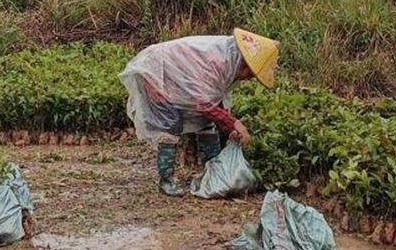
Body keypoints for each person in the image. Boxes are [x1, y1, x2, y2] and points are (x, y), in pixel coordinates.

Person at [119, 28, 281, 193]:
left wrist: (227, 126)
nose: (248, 78)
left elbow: (212, 99)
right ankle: (166, 180)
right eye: (251, 74)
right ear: (245, 65)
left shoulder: (228, 62)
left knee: (207, 123)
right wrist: (233, 123)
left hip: (176, 75)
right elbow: (203, 102)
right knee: (171, 123)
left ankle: (212, 172)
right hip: (158, 72)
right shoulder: (217, 62)